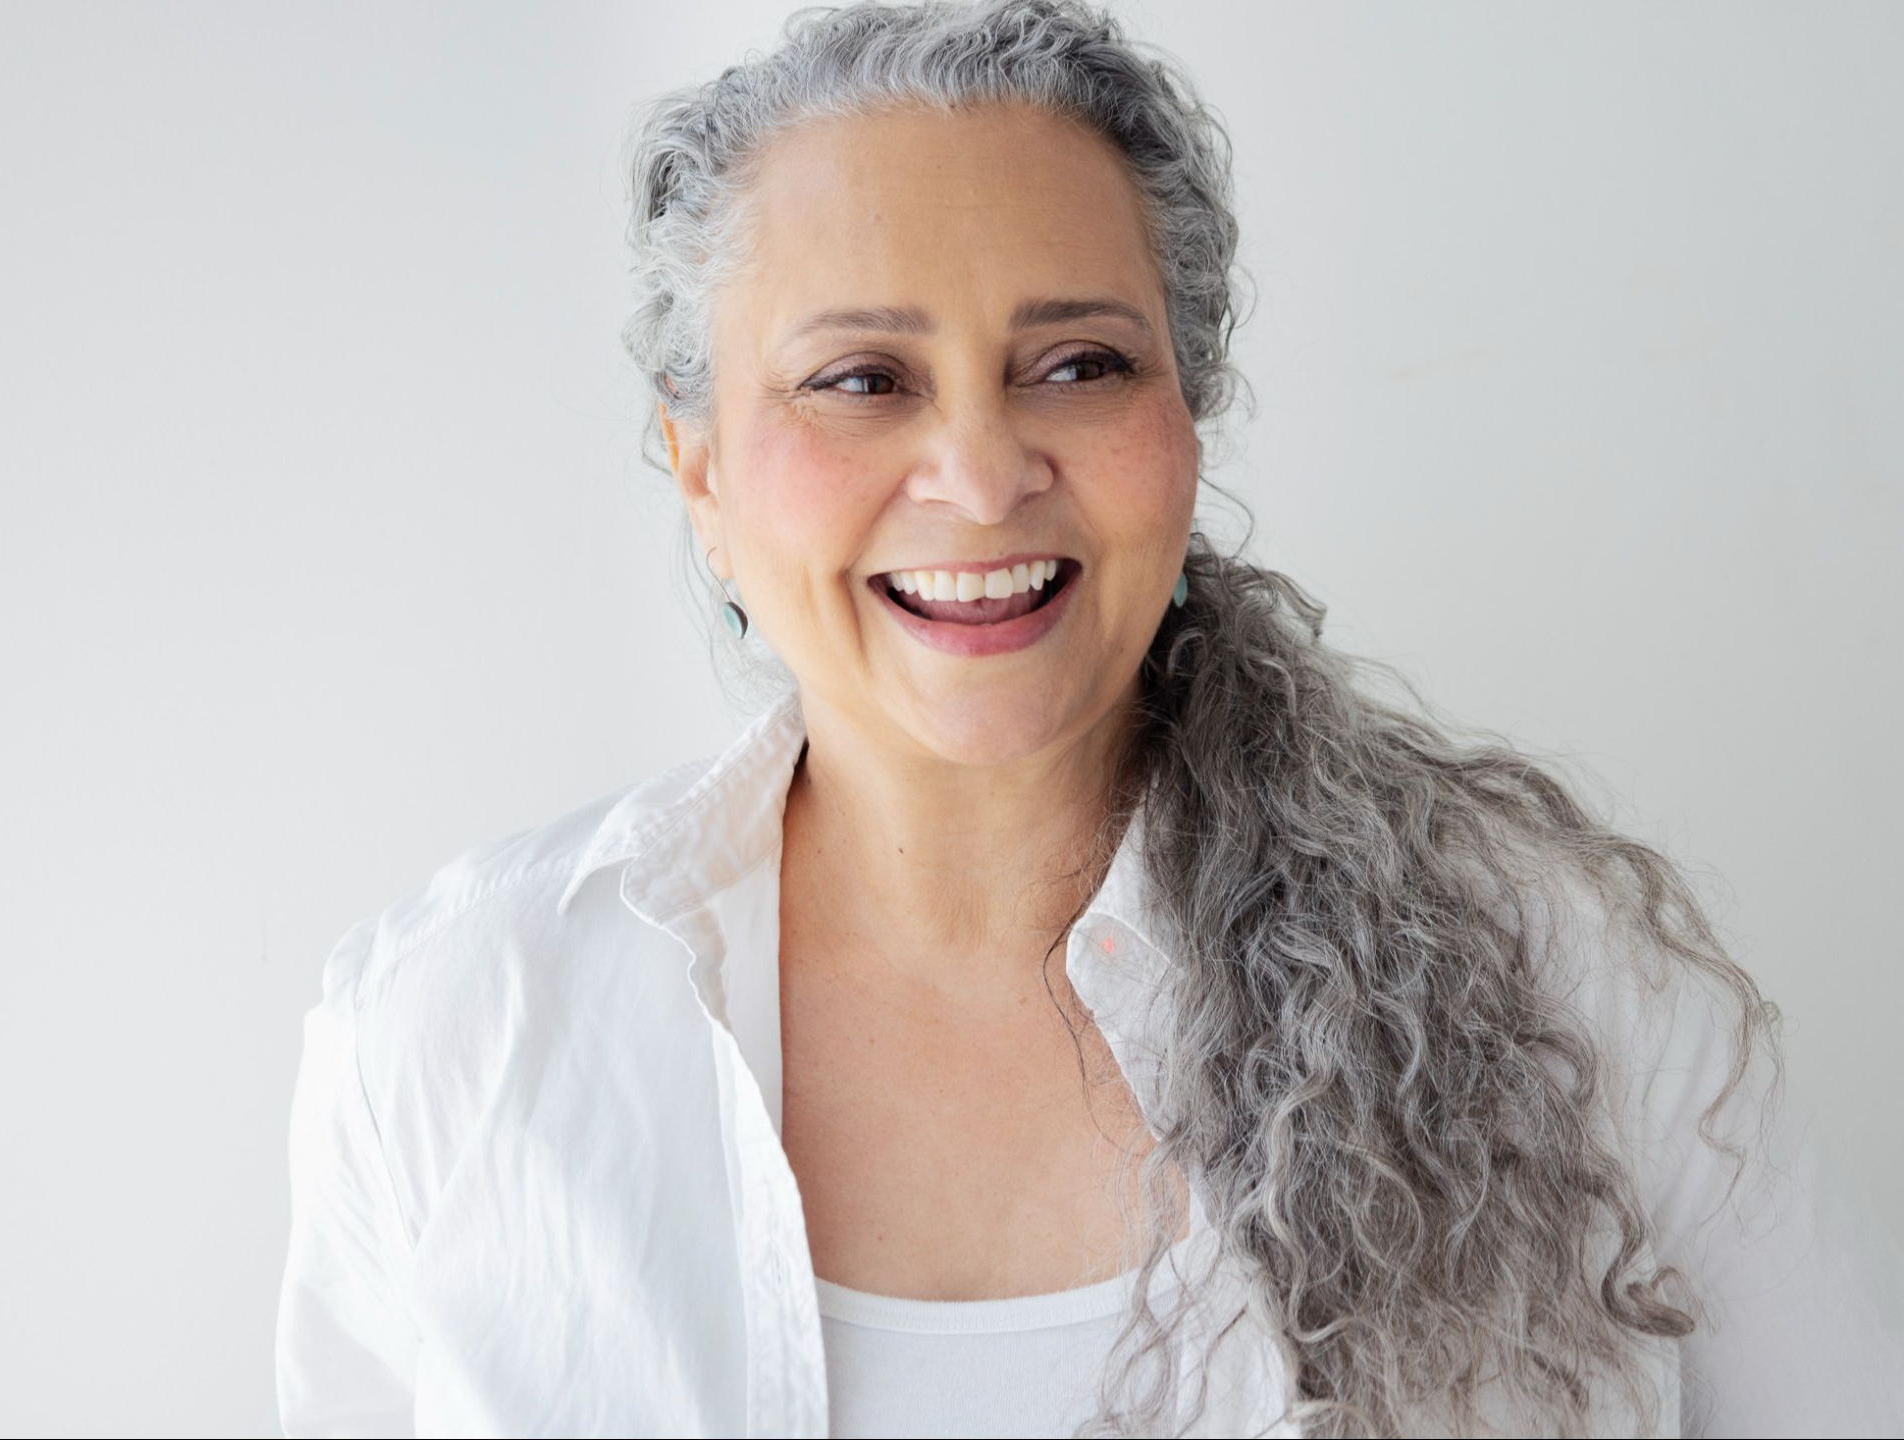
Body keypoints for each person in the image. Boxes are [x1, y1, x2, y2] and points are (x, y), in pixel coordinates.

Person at [274, 1, 1904, 1435]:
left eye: (1077, 364)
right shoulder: (453, 1032)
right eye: (862, 381)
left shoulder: (1563, 987)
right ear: (699, 470)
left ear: (1187, 418)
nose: (982, 476)